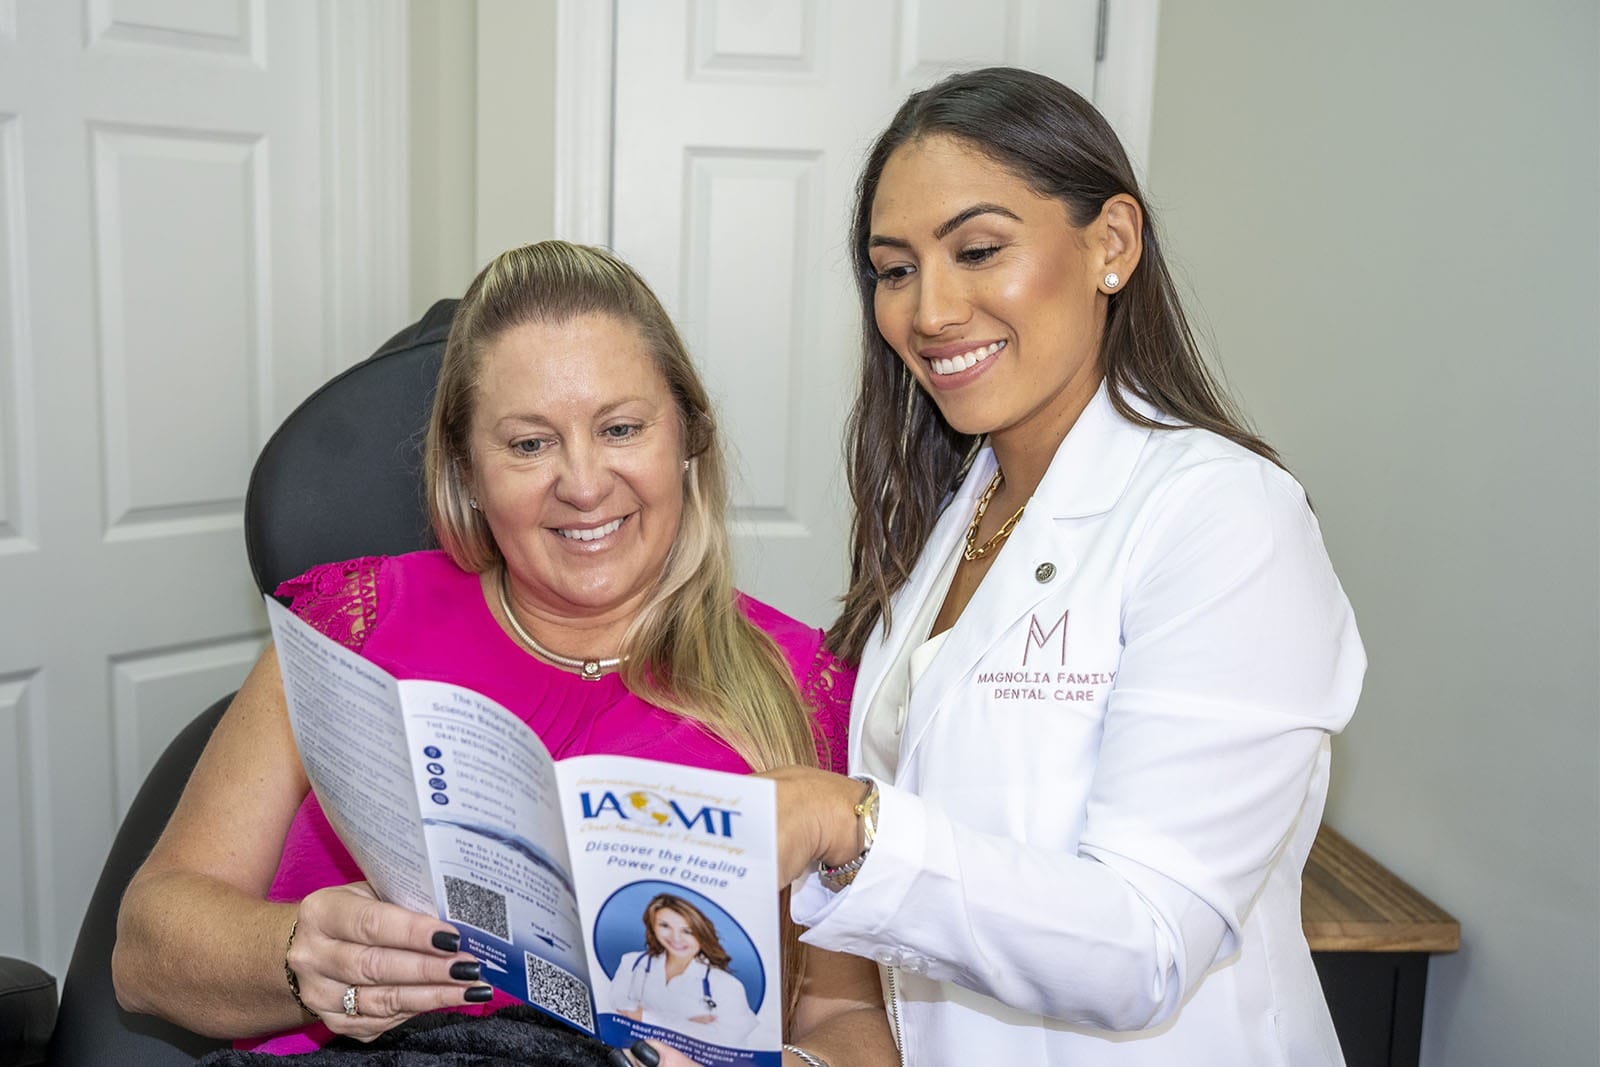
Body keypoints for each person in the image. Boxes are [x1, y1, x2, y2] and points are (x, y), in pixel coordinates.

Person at [112, 241, 898, 1067]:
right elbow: (143, 952)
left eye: (622, 428)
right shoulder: (351, 622)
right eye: (530, 445)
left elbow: (852, 1018)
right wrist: (298, 953)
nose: (585, 484)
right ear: (467, 470)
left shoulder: (806, 686)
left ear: (687, 437)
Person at [765, 67, 1366, 1066]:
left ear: (1111, 245)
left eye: (978, 249)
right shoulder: (953, 514)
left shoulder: (1223, 516)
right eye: (894, 267)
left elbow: (1145, 941)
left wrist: (851, 821)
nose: (930, 310)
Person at [609, 894, 759, 1046]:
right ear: (652, 926)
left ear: (701, 933)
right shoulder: (632, 962)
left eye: (687, 931)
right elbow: (616, 1009)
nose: (676, 938)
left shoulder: (726, 985)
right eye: (665, 926)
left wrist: (645, 1017)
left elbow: (728, 1040)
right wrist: (689, 1025)